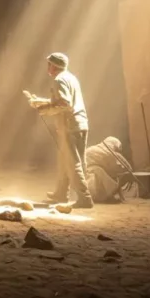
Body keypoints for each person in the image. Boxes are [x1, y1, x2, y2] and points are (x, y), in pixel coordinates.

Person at [26, 52, 94, 209]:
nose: (47, 67)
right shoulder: (70, 77)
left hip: (70, 126)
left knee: (72, 162)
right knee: (65, 160)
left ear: (53, 66)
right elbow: (62, 101)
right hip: (80, 123)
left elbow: (65, 104)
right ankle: (61, 194)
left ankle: (85, 198)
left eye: (49, 64)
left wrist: (44, 109)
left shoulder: (59, 80)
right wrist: (41, 102)